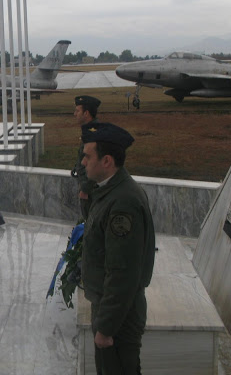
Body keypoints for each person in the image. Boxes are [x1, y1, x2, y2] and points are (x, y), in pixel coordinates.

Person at [80, 122, 155, 374]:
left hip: (119, 317)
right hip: (111, 309)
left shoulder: (123, 203)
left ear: (107, 161)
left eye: (88, 156)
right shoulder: (110, 191)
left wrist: (106, 328)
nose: (82, 162)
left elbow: (122, 272)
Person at [71, 95, 101, 221]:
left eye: (78, 111)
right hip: (88, 188)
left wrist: (85, 189)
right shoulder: (89, 130)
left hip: (91, 192)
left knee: (91, 222)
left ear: (86, 113)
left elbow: (96, 163)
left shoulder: (93, 134)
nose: (74, 114)